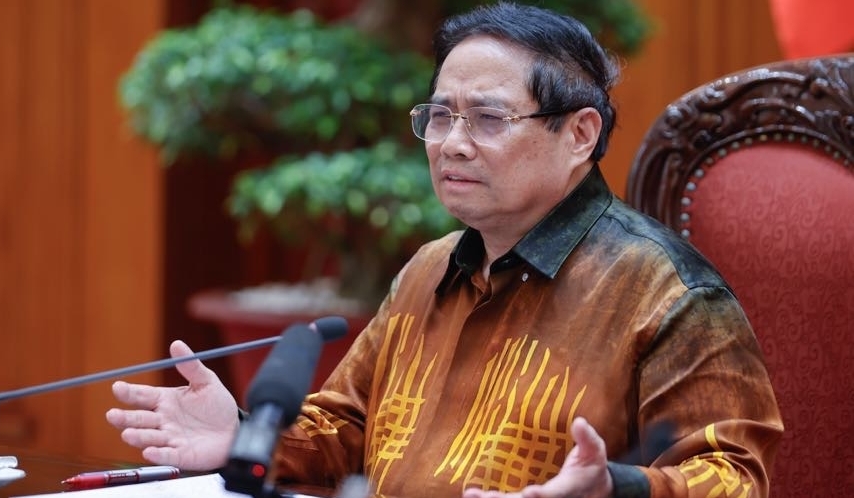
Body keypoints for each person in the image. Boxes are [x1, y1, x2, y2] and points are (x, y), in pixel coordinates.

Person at [106, 3, 783, 497]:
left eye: (488, 118)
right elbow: (346, 428)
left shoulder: (669, 294)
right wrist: (245, 434)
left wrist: (615, 488)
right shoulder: (430, 267)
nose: (452, 144)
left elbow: (734, 479)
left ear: (580, 134)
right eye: (439, 116)